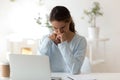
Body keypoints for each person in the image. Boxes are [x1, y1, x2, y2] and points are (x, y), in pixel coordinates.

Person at [38, 6, 87, 74]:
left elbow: (75, 70)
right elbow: (38, 65)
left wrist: (63, 44)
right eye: (55, 28)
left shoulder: (80, 41)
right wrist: (48, 41)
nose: (59, 31)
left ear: (69, 21)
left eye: (63, 27)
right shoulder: (45, 39)